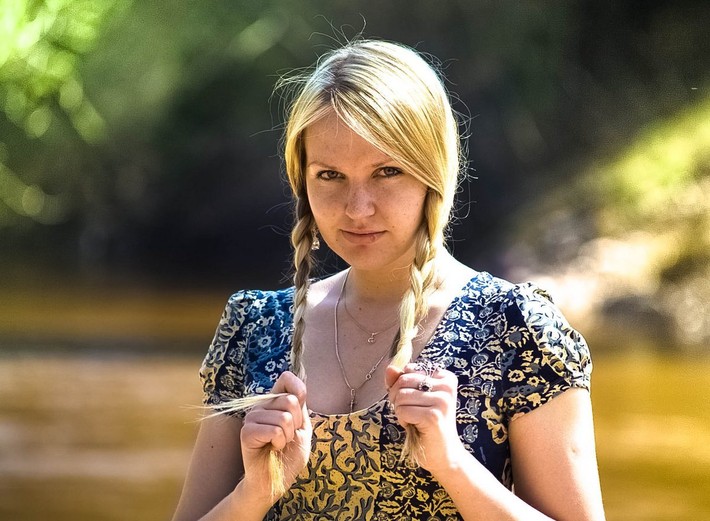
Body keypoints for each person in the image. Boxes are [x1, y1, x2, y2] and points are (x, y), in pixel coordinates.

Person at [172, 39, 606, 521]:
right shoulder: (254, 328)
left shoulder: (516, 329)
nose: (358, 208)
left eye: (387, 171)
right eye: (330, 175)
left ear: (433, 173)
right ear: (301, 180)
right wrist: (253, 493)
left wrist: (454, 465)